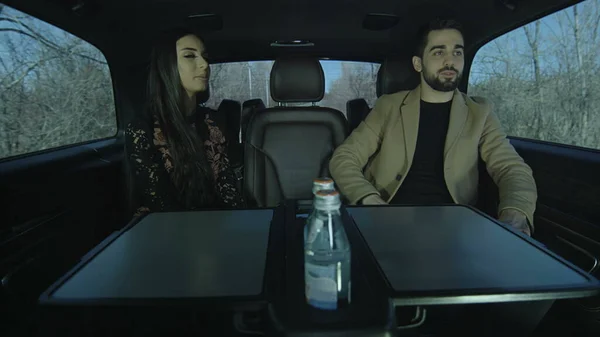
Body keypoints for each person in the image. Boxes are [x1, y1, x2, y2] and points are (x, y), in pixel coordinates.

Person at [329, 19, 536, 236]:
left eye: (457, 53)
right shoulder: (388, 106)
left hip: (455, 228)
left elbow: (511, 168)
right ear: (418, 64)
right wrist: (371, 201)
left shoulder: (480, 112)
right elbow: (345, 158)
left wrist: (514, 215)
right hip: (388, 221)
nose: (450, 61)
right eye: (438, 52)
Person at [125, 29, 244, 217]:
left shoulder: (213, 122)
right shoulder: (143, 129)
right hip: (163, 230)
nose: (204, 64)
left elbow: (227, 188)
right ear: (167, 66)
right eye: (189, 56)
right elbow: (160, 204)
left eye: (205, 57)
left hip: (215, 225)